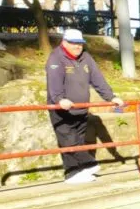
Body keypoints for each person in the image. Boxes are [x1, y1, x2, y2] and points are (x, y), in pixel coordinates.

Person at [45, 28, 124, 183]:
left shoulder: (86, 58)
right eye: (74, 43)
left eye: (80, 43)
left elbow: (98, 79)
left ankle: (74, 173)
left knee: (79, 140)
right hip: (61, 110)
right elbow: (54, 82)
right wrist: (59, 99)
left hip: (81, 108)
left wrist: (111, 96)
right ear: (64, 42)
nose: (78, 47)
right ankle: (88, 164)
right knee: (69, 140)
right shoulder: (56, 58)